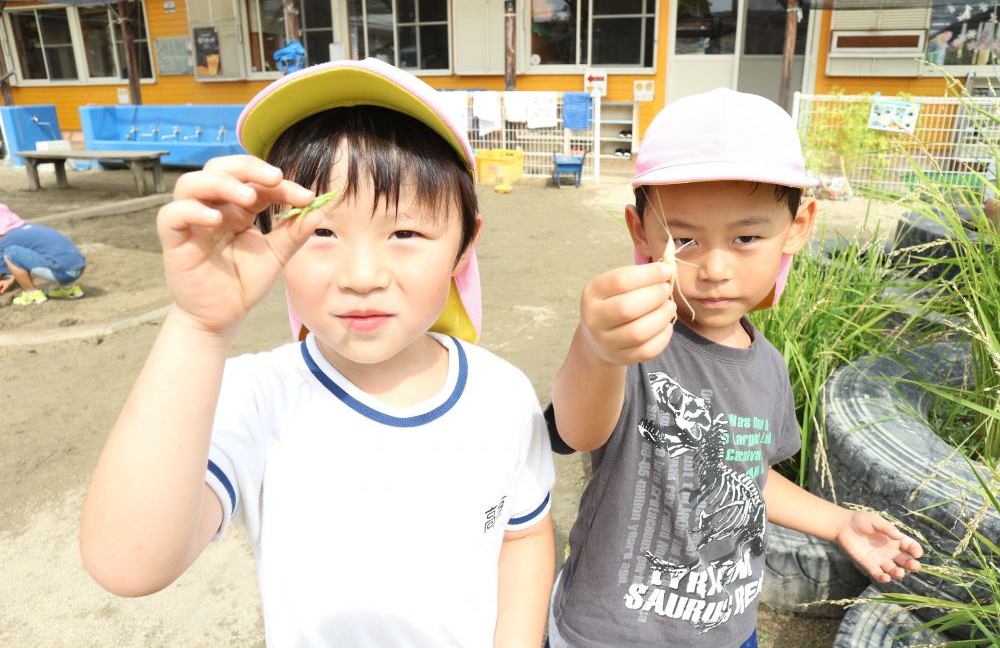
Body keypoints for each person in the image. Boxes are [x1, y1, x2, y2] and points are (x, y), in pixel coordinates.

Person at [80, 58, 556, 646]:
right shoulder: (254, 397)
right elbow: (128, 563)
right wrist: (199, 327)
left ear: (464, 245)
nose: (361, 276)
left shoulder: (502, 394)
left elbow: (524, 535)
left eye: (405, 233)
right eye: (321, 232)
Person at [545, 88, 924, 648]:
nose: (716, 268)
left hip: (728, 631)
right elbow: (574, 431)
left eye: (746, 238)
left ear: (798, 226)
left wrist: (839, 523)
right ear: (641, 231)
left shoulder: (767, 365)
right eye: (685, 240)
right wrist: (596, 350)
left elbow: (747, 476)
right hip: (610, 632)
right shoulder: (636, 345)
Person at [0, 204, 86, 306]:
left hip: (62, 273)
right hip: (78, 269)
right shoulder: (29, 230)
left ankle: (32, 294)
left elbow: (12, 260)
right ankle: (69, 289)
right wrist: (11, 281)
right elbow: (24, 261)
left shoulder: (5, 241)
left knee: (10, 253)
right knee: (24, 254)